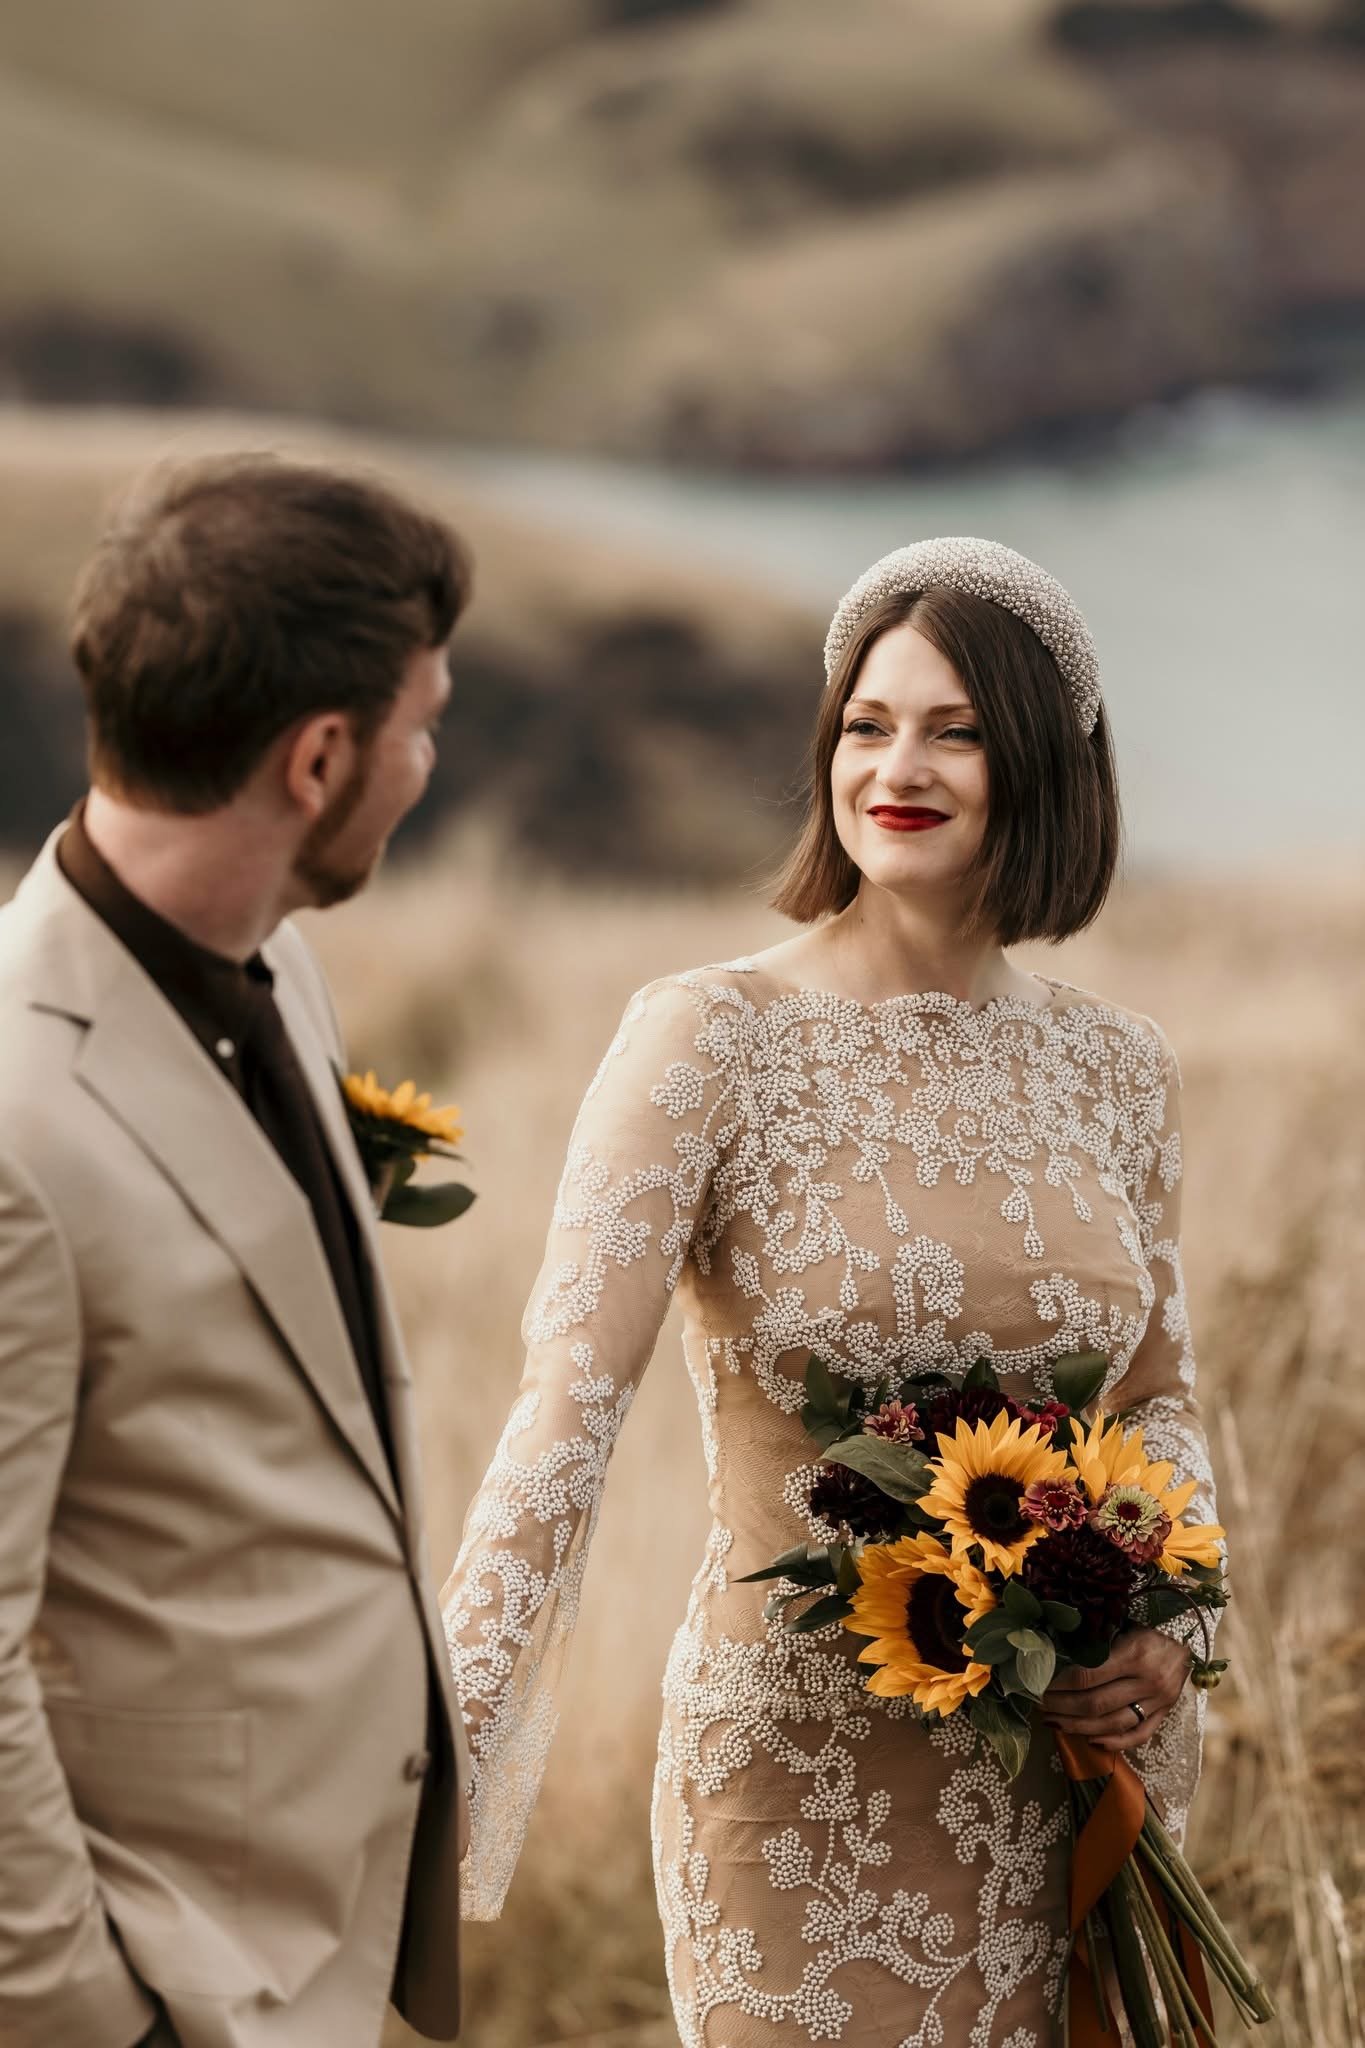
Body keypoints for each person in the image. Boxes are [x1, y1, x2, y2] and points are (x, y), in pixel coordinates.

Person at [440, 538, 1220, 2046]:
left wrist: (1152, 1634)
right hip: (793, 1779)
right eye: (867, 724)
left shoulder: (1119, 1068)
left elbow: (1153, 1399)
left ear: (1047, 764)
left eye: (954, 729)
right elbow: (564, 1409)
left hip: (1053, 1775)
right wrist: (435, 1758)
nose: (897, 767)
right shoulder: (706, 1037)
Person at [0, 455, 471, 2048]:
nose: (428, 761)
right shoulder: (15, 1122)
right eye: (421, 725)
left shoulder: (282, 970)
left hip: (308, 1942)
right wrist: (90, 2020)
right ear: (319, 758)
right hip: (161, 1972)